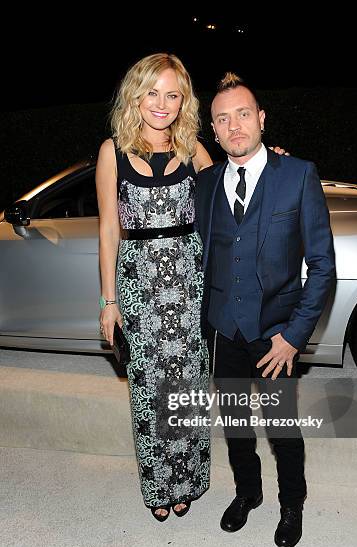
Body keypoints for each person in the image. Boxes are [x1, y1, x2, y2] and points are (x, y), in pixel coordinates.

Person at [195, 73, 336, 547]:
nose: (234, 126)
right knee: (236, 426)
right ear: (213, 131)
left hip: (276, 333)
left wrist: (294, 336)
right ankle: (247, 494)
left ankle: (291, 503)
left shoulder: (296, 175)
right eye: (222, 119)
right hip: (222, 331)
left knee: (281, 428)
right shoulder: (206, 184)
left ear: (261, 119)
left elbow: (322, 266)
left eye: (242, 114)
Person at [96, 53, 214, 521]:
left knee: (186, 384)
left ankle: (187, 478)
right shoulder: (113, 151)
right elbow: (108, 230)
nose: (162, 104)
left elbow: (235, 188)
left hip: (188, 283)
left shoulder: (193, 148)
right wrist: (109, 301)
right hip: (139, 285)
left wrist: (274, 162)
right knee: (148, 390)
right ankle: (158, 485)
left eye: (172, 94)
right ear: (136, 95)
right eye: (153, 92)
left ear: (183, 100)